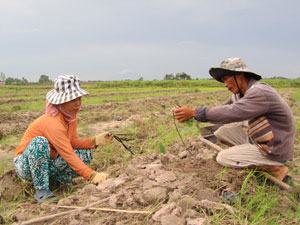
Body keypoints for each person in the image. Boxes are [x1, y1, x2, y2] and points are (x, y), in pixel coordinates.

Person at [173, 57, 295, 181]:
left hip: (274, 148)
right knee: (221, 133)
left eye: (226, 78)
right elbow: (222, 110)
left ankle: (276, 168)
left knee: (223, 157)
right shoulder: (239, 94)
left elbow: (231, 112)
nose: (225, 84)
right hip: (259, 140)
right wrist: (192, 115)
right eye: (222, 80)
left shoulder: (259, 92)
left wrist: (195, 112)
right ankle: (248, 157)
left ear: (240, 75)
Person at [14, 75, 113, 203]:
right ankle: (42, 192)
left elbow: (72, 142)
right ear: (61, 101)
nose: (78, 104)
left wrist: (94, 141)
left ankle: (57, 182)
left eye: (79, 99)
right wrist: (92, 175)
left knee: (85, 154)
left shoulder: (69, 118)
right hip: (26, 165)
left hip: (48, 161)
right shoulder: (52, 122)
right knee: (40, 143)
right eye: (73, 100)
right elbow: (68, 153)